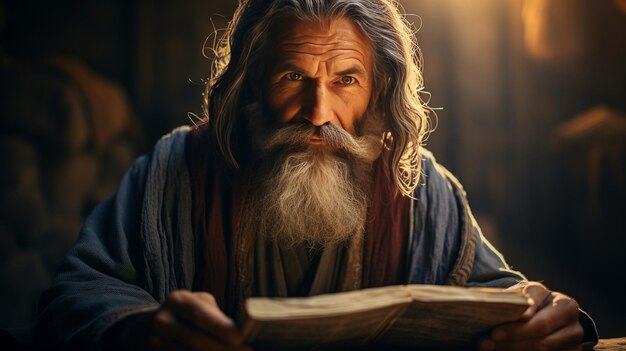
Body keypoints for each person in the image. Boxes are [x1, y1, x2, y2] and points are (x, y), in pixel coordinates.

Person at [35, 0, 598, 350]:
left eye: (346, 80)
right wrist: (140, 330)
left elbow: (503, 299)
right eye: (291, 76)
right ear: (252, 86)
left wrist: (547, 322)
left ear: (379, 91)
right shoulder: (174, 172)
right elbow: (76, 293)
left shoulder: (422, 192)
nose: (318, 111)